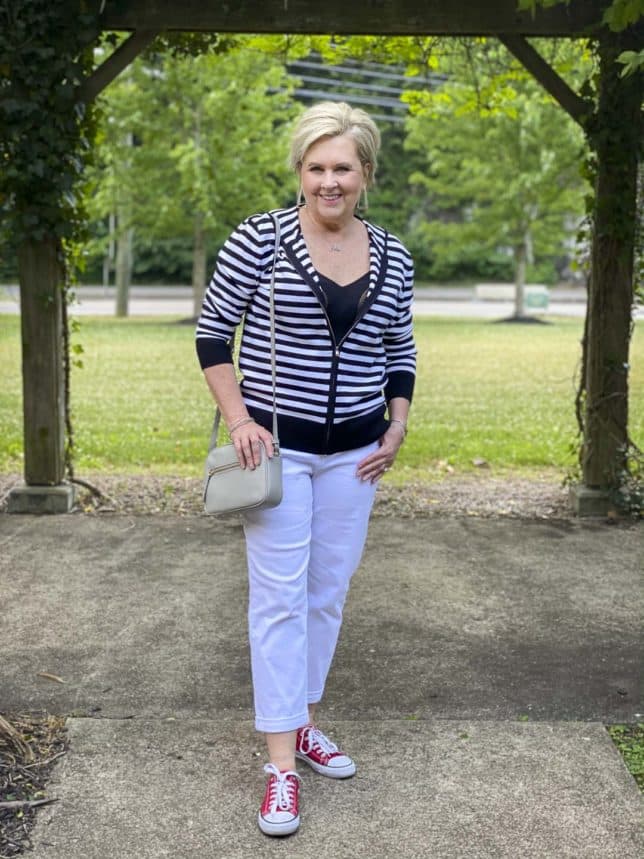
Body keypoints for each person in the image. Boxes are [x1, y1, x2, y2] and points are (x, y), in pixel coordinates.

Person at [196, 101, 416, 837]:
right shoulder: (260, 239)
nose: (329, 180)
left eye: (342, 168)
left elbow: (399, 350)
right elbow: (210, 333)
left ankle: (305, 719)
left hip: (358, 456)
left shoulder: (393, 253)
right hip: (277, 453)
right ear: (300, 171)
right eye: (316, 167)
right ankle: (281, 768)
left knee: (327, 593)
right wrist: (240, 418)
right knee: (280, 599)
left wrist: (398, 424)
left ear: (365, 175)